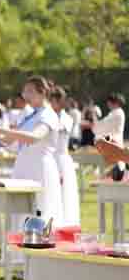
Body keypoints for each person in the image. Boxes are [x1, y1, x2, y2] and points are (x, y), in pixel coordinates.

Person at [0, 75, 63, 226]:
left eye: (29, 91)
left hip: (39, 168)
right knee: (20, 213)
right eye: (24, 91)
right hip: (23, 166)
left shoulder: (48, 114)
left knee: (40, 211)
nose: (25, 96)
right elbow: (11, 141)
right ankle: (17, 248)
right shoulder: (29, 115)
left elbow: (34, 137)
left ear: (42, 92)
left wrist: (5, 131)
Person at [50, 86, 80, 226]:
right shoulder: (49, 116)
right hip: (51, 158)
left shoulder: (66, 118)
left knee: (64, 196)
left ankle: (64, 226)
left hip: (61, 159)